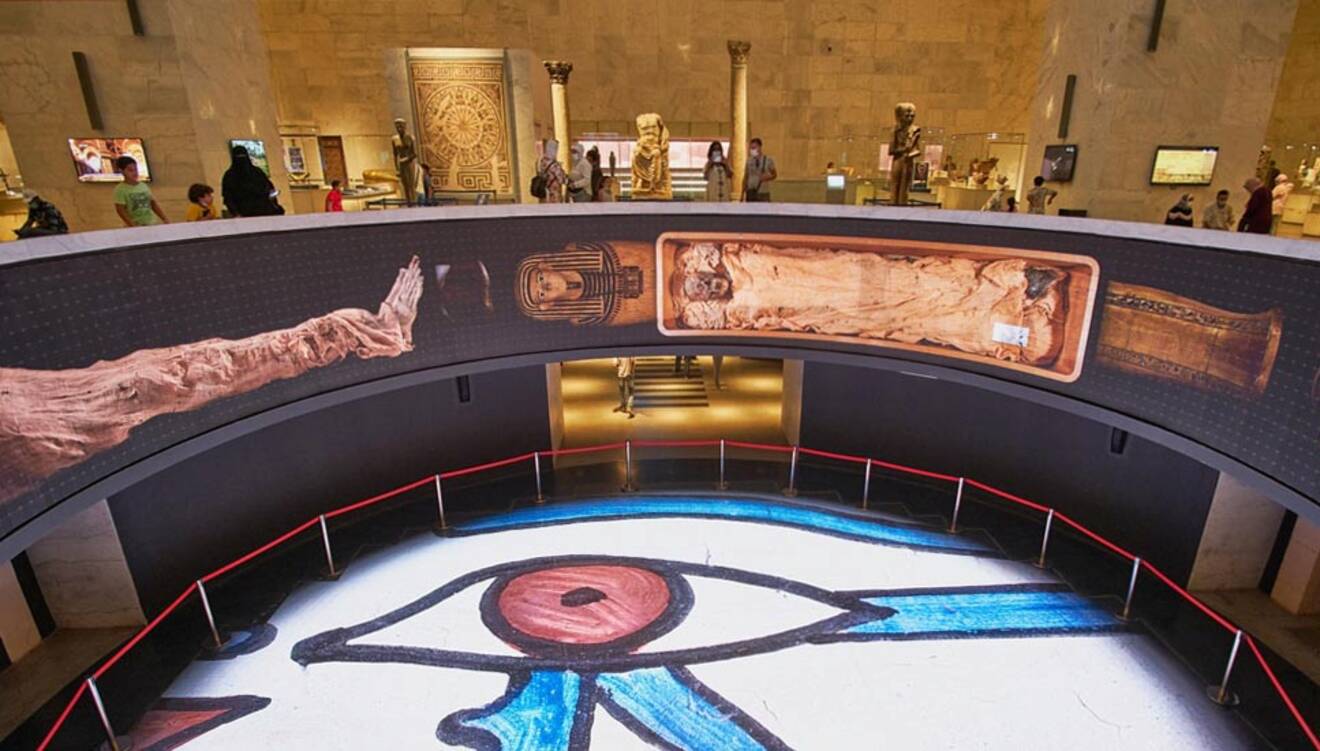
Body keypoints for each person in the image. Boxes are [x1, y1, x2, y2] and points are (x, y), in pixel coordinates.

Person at [222, 145, 282, 218]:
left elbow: (228, 197)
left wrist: (235, 213)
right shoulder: (257, 172)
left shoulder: (229, 175)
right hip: (264, 211)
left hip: (248, 212)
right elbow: (270, 190)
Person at [112, 156, 167, 227]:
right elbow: (121, 211)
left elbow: (153, 203)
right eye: (130, 170)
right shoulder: (120, 189)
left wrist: (164, 218)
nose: (134, 173)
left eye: (136, 169)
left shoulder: (143, 186)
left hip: (151, 223)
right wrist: (133, 225)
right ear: (122, 171)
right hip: (135, 225)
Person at [744, 137, 777, 201]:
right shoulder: (749, 161)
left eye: (754, 148)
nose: (752, 150)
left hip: (763, 192)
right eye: (751, 148)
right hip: (750, 191)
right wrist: (743, 193)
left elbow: (774, 174)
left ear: (759, 147)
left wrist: (767, 177)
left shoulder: (768, 160)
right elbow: (746, 176)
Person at [535, 139, 568, 203]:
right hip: (554, 192)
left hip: (544, 190)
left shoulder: (541, 161)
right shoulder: (554, 165)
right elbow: (562, 179)